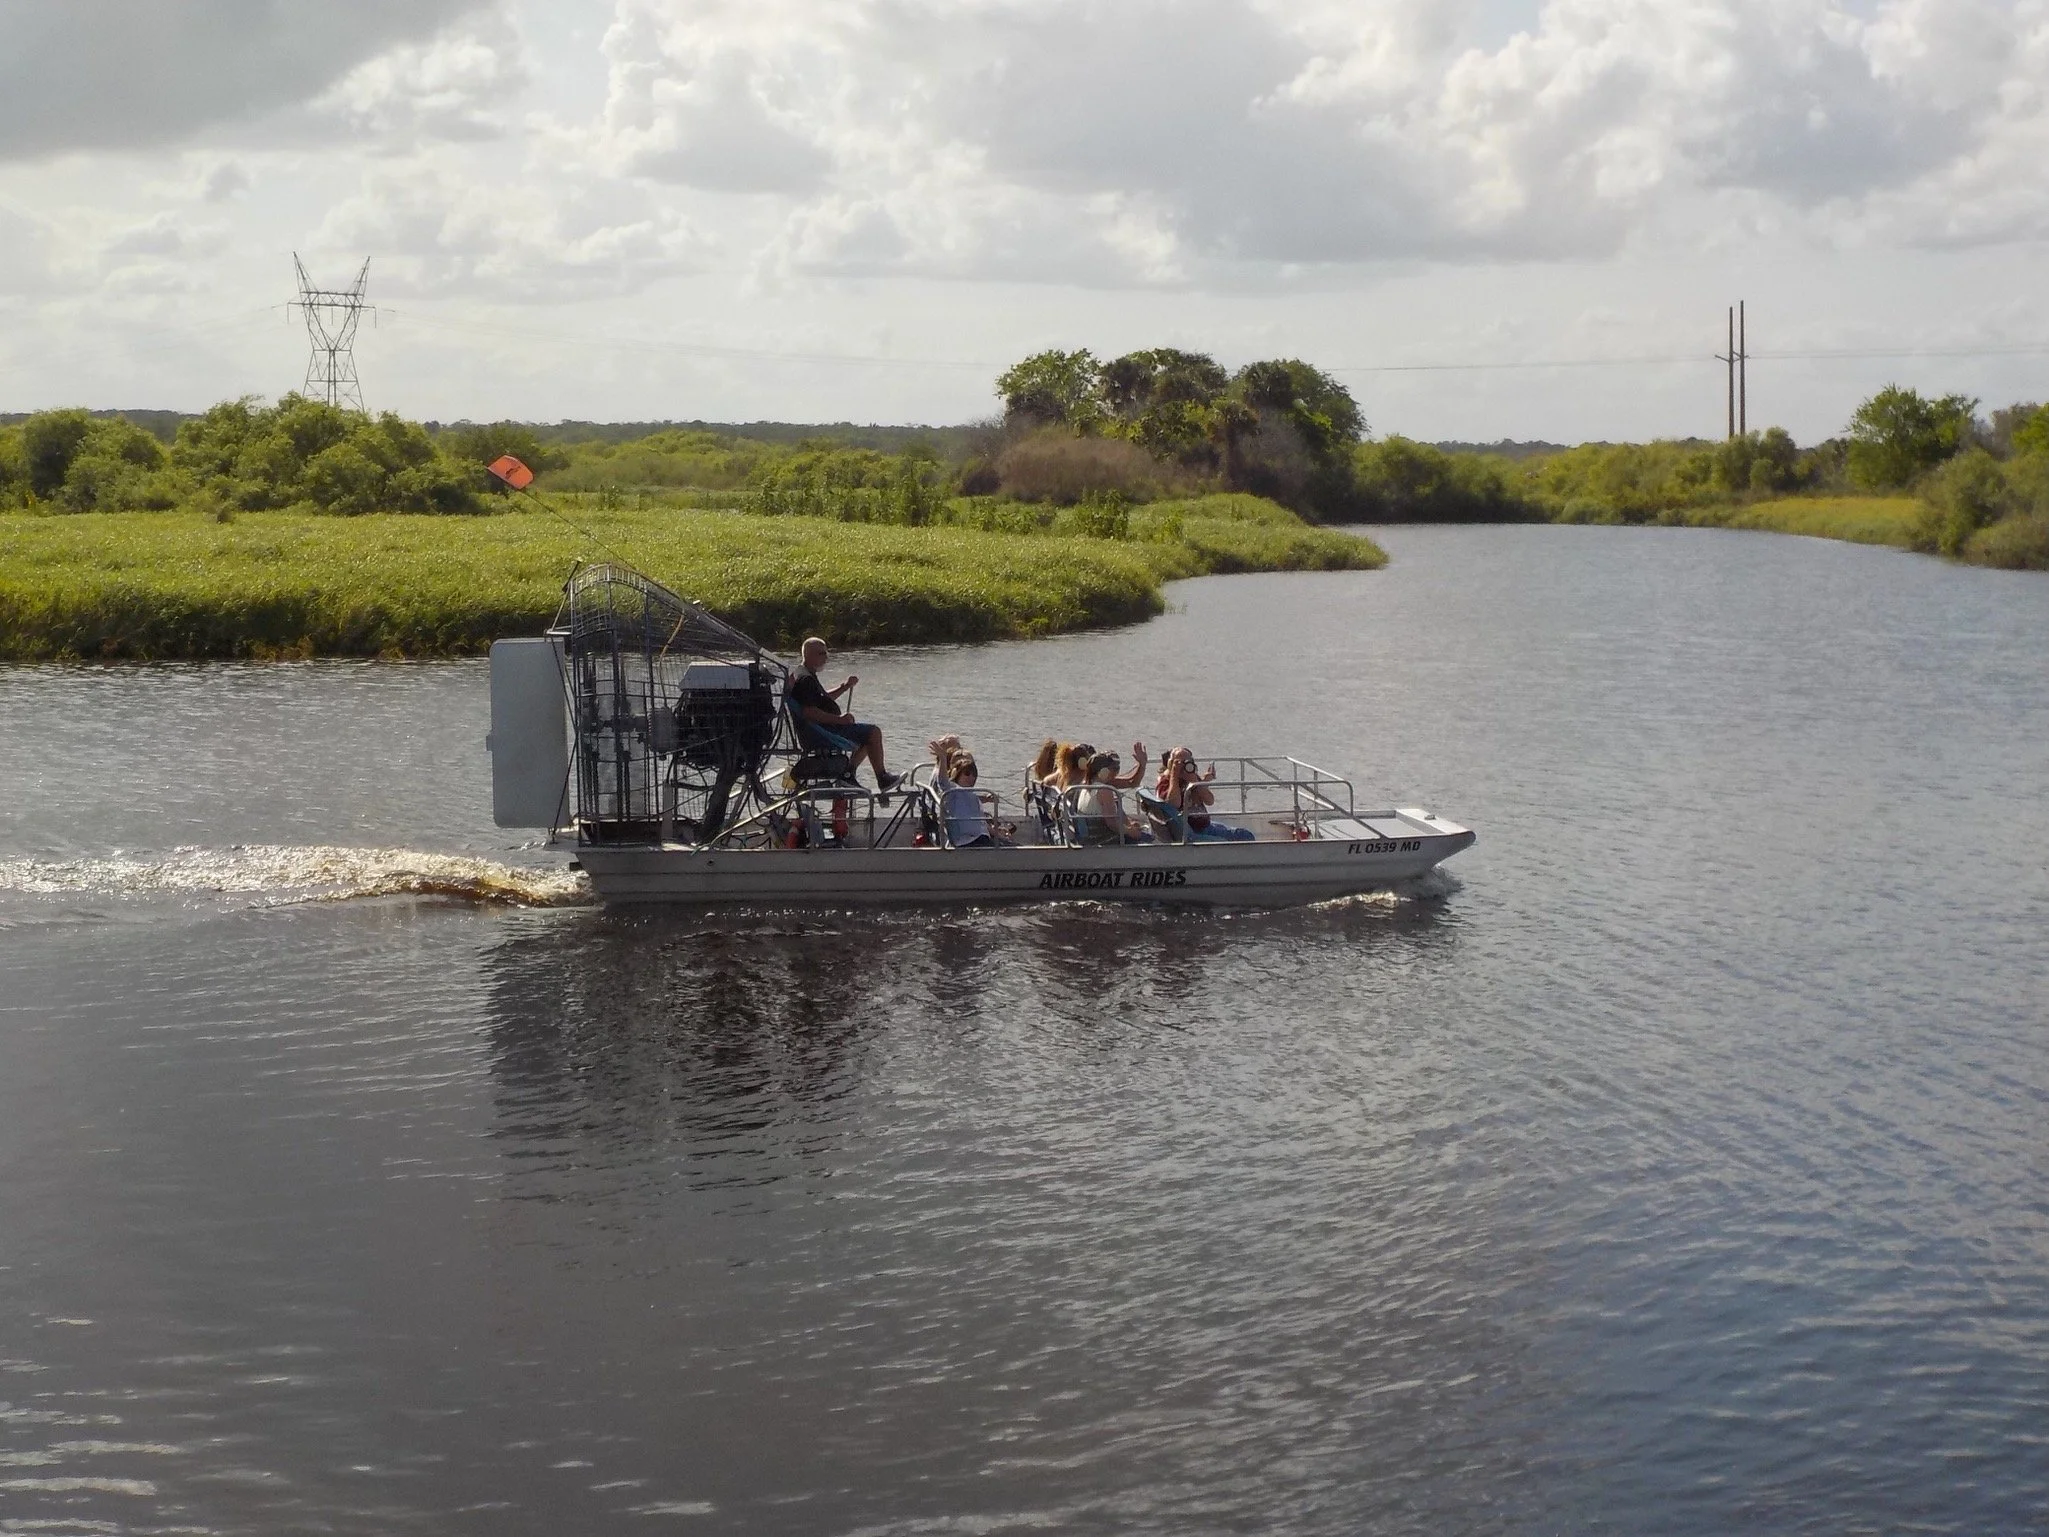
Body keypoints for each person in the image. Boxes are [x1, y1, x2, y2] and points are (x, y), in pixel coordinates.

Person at [788, 636, 900, 791]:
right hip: (823, 732)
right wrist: (839, 720)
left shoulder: (805, 674)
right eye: (822, 654)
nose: (826, 658)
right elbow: (809, 712)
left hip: (824, 729)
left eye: (826, 653)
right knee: (873, 732)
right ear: (809, 655)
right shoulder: (805, 680)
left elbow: (822, 700)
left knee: (866, 735)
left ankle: (848, 775)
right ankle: (882, 779)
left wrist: (845, 686)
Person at [1157, 747, 1254, 840]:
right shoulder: (1166, 782)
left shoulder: (1191, 776)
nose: (1183, 766)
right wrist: (1174, 774)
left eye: (1187, 762)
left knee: (1243, 834)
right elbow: (1174, 804)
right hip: (1191, 832)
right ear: (1171, 764)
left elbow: (1209, 801)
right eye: (1179, 762)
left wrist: (1196, 782)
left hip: (1205, 826)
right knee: (1244, 836)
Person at [929, 736, 1010, 848]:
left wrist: (985, 798)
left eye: (974, 775)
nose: (971, 778)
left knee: (1011, 845)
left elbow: (966, 799)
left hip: (980, 837)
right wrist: (943, 758)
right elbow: (942, 781)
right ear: (957, 774)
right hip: (967, 840)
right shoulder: (951, 790)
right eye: (967, 774)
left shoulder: (969, 794)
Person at [1071, 751, 1147, 844]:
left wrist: (1129, 827)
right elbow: (1112, 823)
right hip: (1102, 839)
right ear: (1104, 771)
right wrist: (1130, 831)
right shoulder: (1104, 790)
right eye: (1114, 769)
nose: (1116, 773)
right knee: (1146, 838)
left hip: (1088, 837)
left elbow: (1132, 782)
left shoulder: (1085, 785)